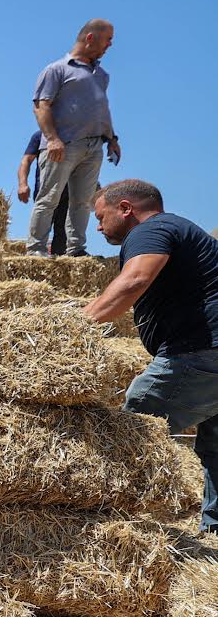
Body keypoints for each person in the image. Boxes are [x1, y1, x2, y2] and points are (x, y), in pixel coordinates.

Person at [83, 179, 218, 531]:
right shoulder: (181, 229)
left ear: (125, 208)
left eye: (101, 217)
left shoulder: (150, 230)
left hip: (199, 352)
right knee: (216, 447)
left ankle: (114, 528)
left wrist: (75, 324)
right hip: (210, 351)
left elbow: (134, 281)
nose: (98, 227)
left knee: (131, 432)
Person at [25, 19, 121, 257]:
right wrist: (52, 139)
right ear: (90, 38)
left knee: (83, 202)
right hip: (63, 146)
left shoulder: (102, 75)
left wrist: (112, 138)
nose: (110, 44)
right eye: (108, 39)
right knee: (49, 199)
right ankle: (36, 249)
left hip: (94, 147)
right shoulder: (56, 69)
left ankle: (76, 249)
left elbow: (102, 109)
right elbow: (41, 106)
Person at [18, 130, 70, 254]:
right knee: (41, 229)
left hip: (69, 194)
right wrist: (22, 184)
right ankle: (35, 252)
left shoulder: (76, 134)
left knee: (63, 235)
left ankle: (61, 258)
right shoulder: (40, 136)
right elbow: (26, 160)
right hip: (47, 192)